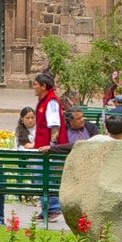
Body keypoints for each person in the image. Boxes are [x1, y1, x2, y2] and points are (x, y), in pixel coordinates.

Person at [31, 72, 72, 221]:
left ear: (44, 86)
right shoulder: (43, 101)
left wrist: (51, 146)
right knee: (39, 177)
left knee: (42, 177)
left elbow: (55, 126)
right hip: (42, 148)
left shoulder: (51, 102)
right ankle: (47, 209)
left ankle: (53, 208)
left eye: (36, 84)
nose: (33, 87)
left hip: (48, 150)